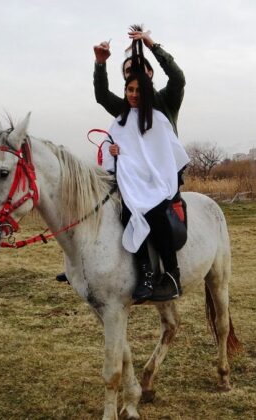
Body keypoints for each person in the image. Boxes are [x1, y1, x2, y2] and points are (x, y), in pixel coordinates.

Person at [102, 32, 189, 302]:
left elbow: (178, 78)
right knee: (119, 212)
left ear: (150, 73)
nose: (134, 92)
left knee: (157, 215)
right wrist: (115, 151)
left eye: (139, 72)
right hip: (134, 179)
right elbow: (103, 99)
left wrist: (151, 45)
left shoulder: (165, 103)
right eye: (129, 76)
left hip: (165, 177)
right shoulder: (126, 111)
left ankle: (171, 274)